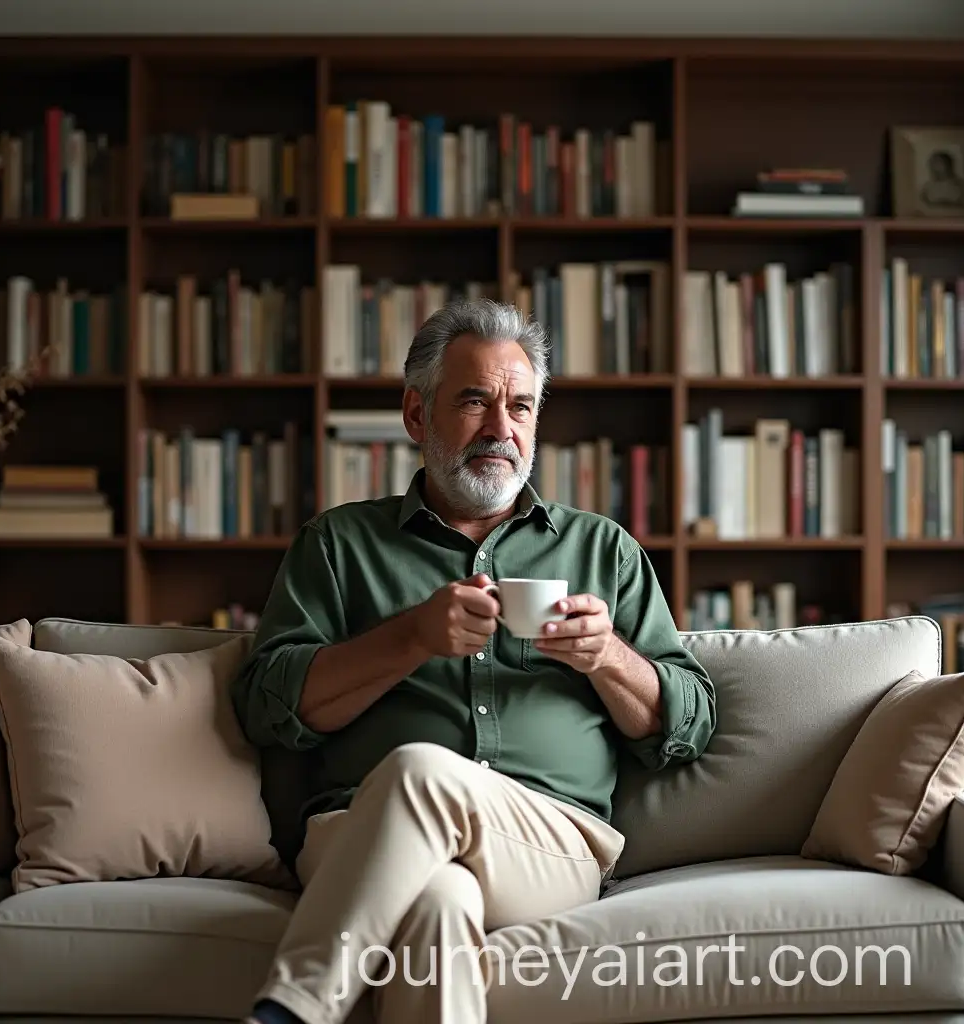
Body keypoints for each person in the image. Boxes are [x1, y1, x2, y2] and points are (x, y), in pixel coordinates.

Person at [230, 298, 716, 1024]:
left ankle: (291, 1010)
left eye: (521, 407)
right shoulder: (337, 545)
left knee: (419, 769)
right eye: (475, 402)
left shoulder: (601, 550)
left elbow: (691, 720)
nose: (501, 428)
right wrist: (412, 639)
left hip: (547, 843)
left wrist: (607, 656)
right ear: (417, 416)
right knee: (437, 899)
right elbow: (269, 705)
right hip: (358, 833)